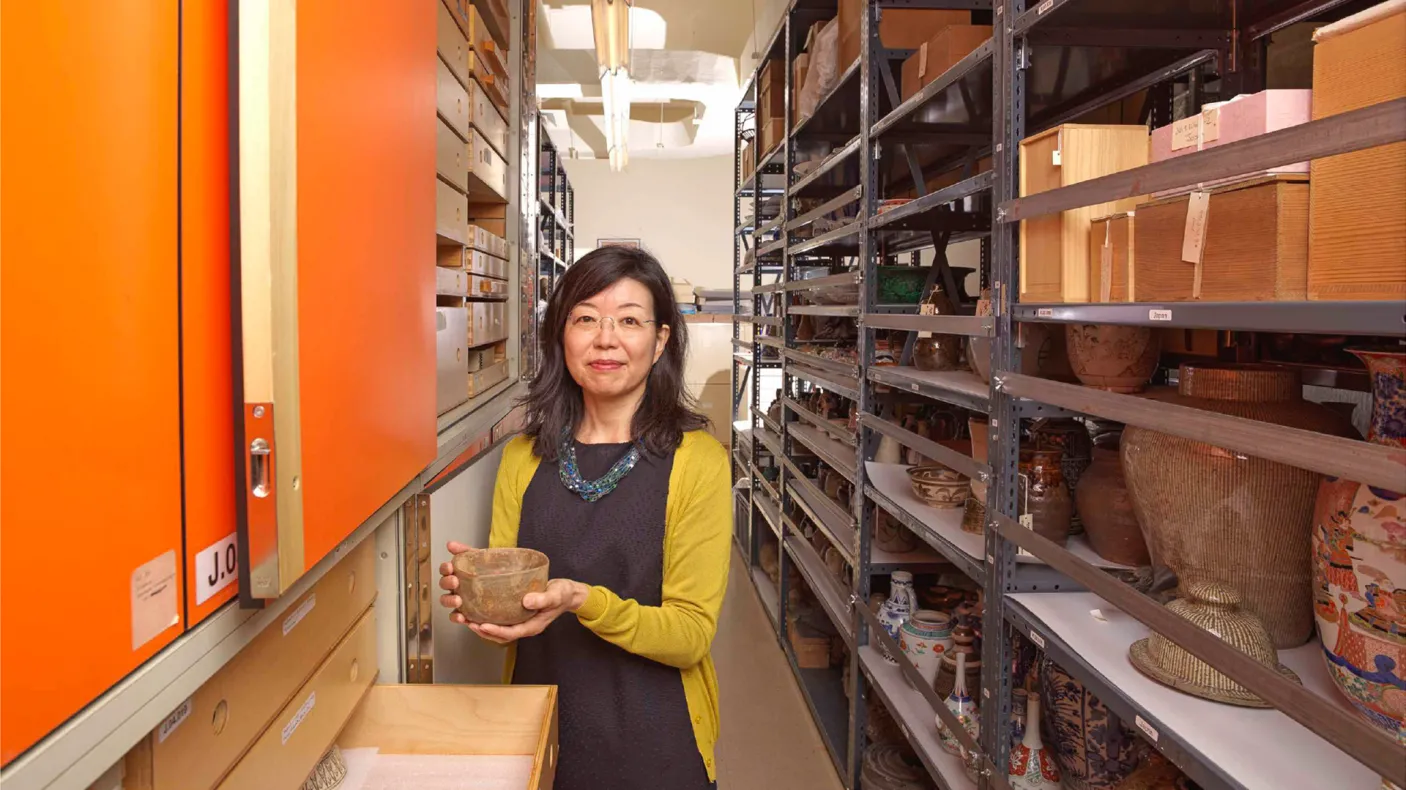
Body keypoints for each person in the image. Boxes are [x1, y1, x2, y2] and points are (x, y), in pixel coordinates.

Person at [437, 245, 731, 790]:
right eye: (586, 319)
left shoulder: (698, 463)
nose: (606, 339)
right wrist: (484, 601)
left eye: (629, 321)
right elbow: (514, 600)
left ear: (660, 339)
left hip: (656, 737)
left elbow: (691, 634)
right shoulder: (523, 457)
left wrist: (582, 600)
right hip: (543, 725)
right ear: (562, 334)